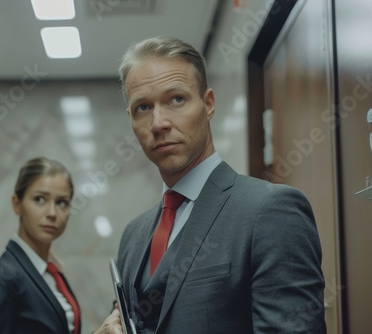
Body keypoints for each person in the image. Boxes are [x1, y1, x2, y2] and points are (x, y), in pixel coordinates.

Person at [95, 36, 326, 333]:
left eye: (176, 99)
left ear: (208, 104)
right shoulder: (134, 235)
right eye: (143, 107)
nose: (158, 123)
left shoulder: (271, 211)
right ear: (131, 120)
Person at [0, 157, 81, 334]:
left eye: (62, 202)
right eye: (39, 199)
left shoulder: (52, 274)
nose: (52, 213)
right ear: (17, 204)